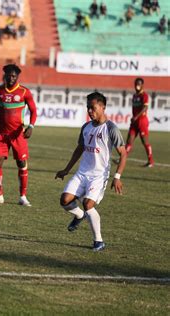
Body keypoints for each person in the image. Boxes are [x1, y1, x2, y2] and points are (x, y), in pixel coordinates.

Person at [55, 92, 127, 251]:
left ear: (103, 107)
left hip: (99, 176)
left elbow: (123, 154)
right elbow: (79, 148)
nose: (89, 111)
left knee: (88, 204)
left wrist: (117, 176)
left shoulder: (111, 128)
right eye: (88, 107)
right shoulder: (86, 127)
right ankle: (79, 216)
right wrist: (66, 170)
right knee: (64, 200)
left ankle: (98, 241)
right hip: (82, 173)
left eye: (93, 108)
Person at [0, 64, 37, 206]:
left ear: (17, 77)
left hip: (18, 134)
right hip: (2, 134)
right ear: (5, 75)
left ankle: (23, 196)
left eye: (14, 76)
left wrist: (31, 126)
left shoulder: (24, 92)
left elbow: (33, 111)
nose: (11, 78)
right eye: (9, 75)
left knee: (21, 163)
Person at [125, 78, 154, 167]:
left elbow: (145, 108)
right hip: (134, 122)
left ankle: (150, 161)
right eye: (136, 84)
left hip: (142, 121)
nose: (137, 85)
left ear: (142, 85)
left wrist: (136, 116)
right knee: (129, 140)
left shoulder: (144, 95)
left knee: (145, 142)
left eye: (139, 84)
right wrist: (134, 117)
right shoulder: (134, 96)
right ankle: (122, 158)